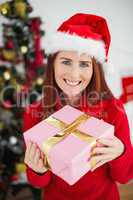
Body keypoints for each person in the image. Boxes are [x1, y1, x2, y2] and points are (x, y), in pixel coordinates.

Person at [23, 13, 133, 200]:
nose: (74, 74)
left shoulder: (113, 111)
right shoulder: (36, 112)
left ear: (94, 69)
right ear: (53, 65)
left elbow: (124, 177)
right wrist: (38, 170)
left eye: (84, 64)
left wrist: (121, 153)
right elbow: (39, 182)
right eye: (66, 62)